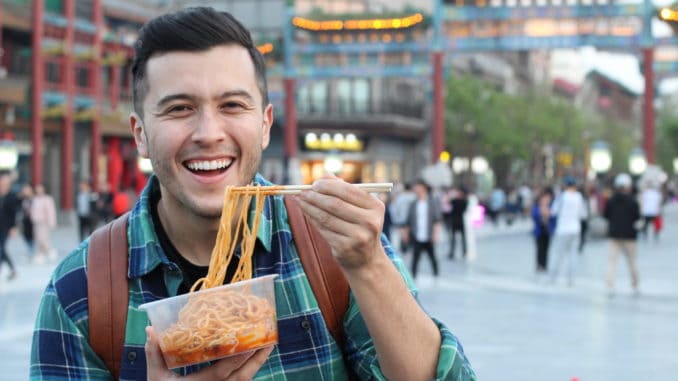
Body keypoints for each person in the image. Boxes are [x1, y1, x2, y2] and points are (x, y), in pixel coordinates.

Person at [30, 8, 475, 380]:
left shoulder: (333, 247)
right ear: (140, 134)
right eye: (180, 109)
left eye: (232, 106)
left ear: (264, 125)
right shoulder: (82, 291)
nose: (208, 133)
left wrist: (370, 267)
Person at [603, 173, 641, 296]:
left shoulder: (611, 200)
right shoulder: (632, 200)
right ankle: (635, 284)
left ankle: (610, 285)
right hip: (629, 235)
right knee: (632, 261)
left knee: (612, 261)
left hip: (614, 235)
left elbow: (606, 215)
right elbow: (637, 217)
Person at [549, 176, 587, 286]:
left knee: (557, 254)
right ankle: (571, 279)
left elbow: (553, 211)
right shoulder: (579, 197)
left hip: (563, 229)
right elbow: (583, 214)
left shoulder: (562, 196)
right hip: (575, 229)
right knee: (573, 255)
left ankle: (553, 276)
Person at [404, 179, 443, 278]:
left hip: (428, 234)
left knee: (432, 256)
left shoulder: (431, 203)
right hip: (416, 235)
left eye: (418, 187)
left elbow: (437, 220)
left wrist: (435, 234)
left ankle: (436, 274)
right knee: (415, 257)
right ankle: (413, 276)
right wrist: (406, 234)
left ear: (423, 188)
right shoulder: (413, 204)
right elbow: (408, 221)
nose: (416, 189)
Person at [31, 184, 57, 264]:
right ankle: (40, 255)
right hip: (36, 221)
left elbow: (51, 212)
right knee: (38, 239)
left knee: (43, 238)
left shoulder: (47, 199)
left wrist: (52, 222)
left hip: (44, 222)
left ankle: (50, 251)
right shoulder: (35, 199)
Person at [531, 187, 555, 274]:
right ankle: (539, 265)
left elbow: (553, 217)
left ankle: (544, 265)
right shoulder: (537, 207)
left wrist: (548, 214)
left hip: (547, 231)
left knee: (546, 248)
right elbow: (534, 216)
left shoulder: (551, 207)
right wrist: (542, 213)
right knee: (539, 248)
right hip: (539, 231)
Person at [0, 173, 19, 280]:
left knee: (2, 248)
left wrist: (13, 227)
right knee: (2, 249)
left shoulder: (11, 196)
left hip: (6, 226)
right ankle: (12, 269)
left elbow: (14, 213)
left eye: (5, 182)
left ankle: (11, 269)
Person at [448, 186, 468, 260]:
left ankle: (464, 251)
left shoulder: (461, 201)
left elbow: (449, 202)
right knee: (454, 238)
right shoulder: (463, 201)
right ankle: (453, 252)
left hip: (459, 220)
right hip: (456, 220)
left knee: (462, 238)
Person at [19, 183, 35, 255]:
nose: (25, 191)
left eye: (27, 189)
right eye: (24, 190)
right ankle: (30, 247)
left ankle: (32, 248)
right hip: (25, 220)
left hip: (33, 220)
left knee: (33, 235)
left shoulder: (34, 198)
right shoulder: (22, 198)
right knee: (25, 234)